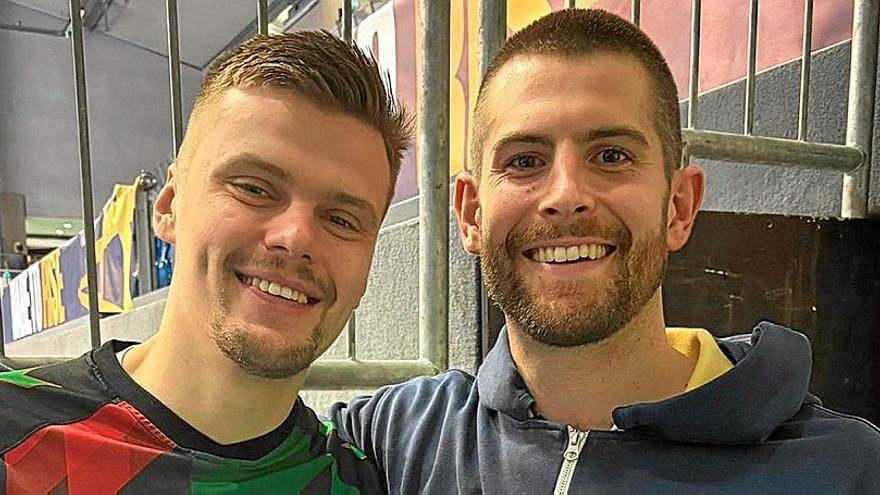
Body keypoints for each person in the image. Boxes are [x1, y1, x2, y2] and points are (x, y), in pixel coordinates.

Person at [329, 9, 880, 494]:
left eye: (611, 155)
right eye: (524, 161)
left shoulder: (846, 471)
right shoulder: (387, 443)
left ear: (679, 207)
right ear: (471, 215)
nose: (566, 194)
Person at [0, 31, 409, 493]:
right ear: (169, 205)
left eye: (341, 219)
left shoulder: (365, 481)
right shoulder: (14, 432)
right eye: (254, 188)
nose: (295, 238)